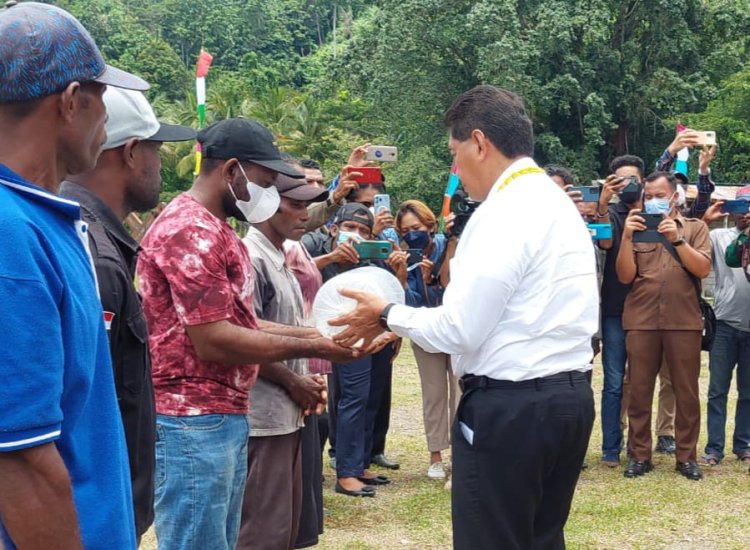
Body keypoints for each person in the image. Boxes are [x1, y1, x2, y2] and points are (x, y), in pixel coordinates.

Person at [330, 85, 597, 548]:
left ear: (479, 142)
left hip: (512, 406)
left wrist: (389, 313)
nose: (456, 170)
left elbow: (458, 328)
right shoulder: (557, 204)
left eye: (455, 154)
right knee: (542, 536)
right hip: (568, 398)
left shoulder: (502, 212)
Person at [136, 118, 357, 550]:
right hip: (191, 422)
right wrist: (314, 343)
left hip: (219, 418)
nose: (271, 196)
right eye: (266, 182)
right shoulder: (190, 230)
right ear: (233, 171)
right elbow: (216, 338)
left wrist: (316, 339)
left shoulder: (218, 230)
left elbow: (241, 321)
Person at [0, 3, 149, 548]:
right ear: (69, 102)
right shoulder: (9, 235)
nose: (108, 125)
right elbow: (19, 463)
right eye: (104, 104)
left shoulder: (45, 219)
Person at [60, 87, 195, 542]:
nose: (159, 166)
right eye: (157, 149)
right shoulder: (93, 254)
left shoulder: (89, 238)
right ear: (134, 151)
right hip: (89, 516)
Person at [237, 171, 330, 550]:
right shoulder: (252, 257)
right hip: (263, 417)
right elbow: (244, 337)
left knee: (286, 531)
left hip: (288, 414)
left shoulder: (281, 255)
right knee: (261, 531)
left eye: (307, 205)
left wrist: (305, 378)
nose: (305, 215)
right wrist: (295, 380)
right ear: (265, 203)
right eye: (296, 205)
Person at [616, 171, 711, 481]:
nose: (654, 200)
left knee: (686, 391)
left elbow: (702, 267)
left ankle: (686, 456)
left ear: (675, 196)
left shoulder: (695, 228)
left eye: (660, 195)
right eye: (649, 195)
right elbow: (624, 276)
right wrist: (627, 237)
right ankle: (639, 455)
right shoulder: (637, 226)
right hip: (641, 319)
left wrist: (677, 239)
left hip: (683, 320)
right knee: (640, 390)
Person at [302, 204, 401, 497]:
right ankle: (345, 472)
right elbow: (296, 272)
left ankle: (359, 464)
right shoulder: (317, 252)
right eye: (350, 228)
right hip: (342, 336)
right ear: (334, 229)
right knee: (353, 400)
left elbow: (393, 292)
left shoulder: (372, 260)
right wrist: (333, 258)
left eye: (364, 231)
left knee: (372, 398)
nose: (356, 235)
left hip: (376, 336)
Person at [594, 155, 677, 464]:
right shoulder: (612, 213)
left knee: (643, 380)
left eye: (633, 179)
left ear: (642, 182)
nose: (628, 184)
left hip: (650, 310)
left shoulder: (656, 212)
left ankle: (639, 446)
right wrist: (603, 205)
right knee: (615, 382)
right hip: (616, 309)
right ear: (612, 183)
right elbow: (604, 245)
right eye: (620, 180)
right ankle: (611, 448)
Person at [392, 199, 459, 480]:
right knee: (433, 392)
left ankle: (460, 452)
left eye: (416, 227)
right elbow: (411, 304)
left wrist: (435, 274)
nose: (411, 235)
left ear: (431, 225)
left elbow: (457, 288)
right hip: (425, 331)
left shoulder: (448, 245)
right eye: (405, 231)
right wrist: (405, 279)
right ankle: (435, 454)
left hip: (454, 327)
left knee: (460, 390)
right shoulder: (404, 256)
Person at [700, 187, 750, 465]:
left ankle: (743, 444)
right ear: (731, 210)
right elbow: (690, 240)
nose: (745, 213)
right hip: (725, 322)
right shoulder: (719, 236)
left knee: (749, 391)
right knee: (717, 389)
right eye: (740, 207)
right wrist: (705, 220)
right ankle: (714, 448)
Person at [655, 128, 716, 219]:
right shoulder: (651, 213)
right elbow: (657, 178)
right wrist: (671, 150)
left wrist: (703, 170)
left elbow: (704, 196)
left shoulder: (688, 217)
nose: (678, 187)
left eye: (681, 183)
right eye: (674, 183)